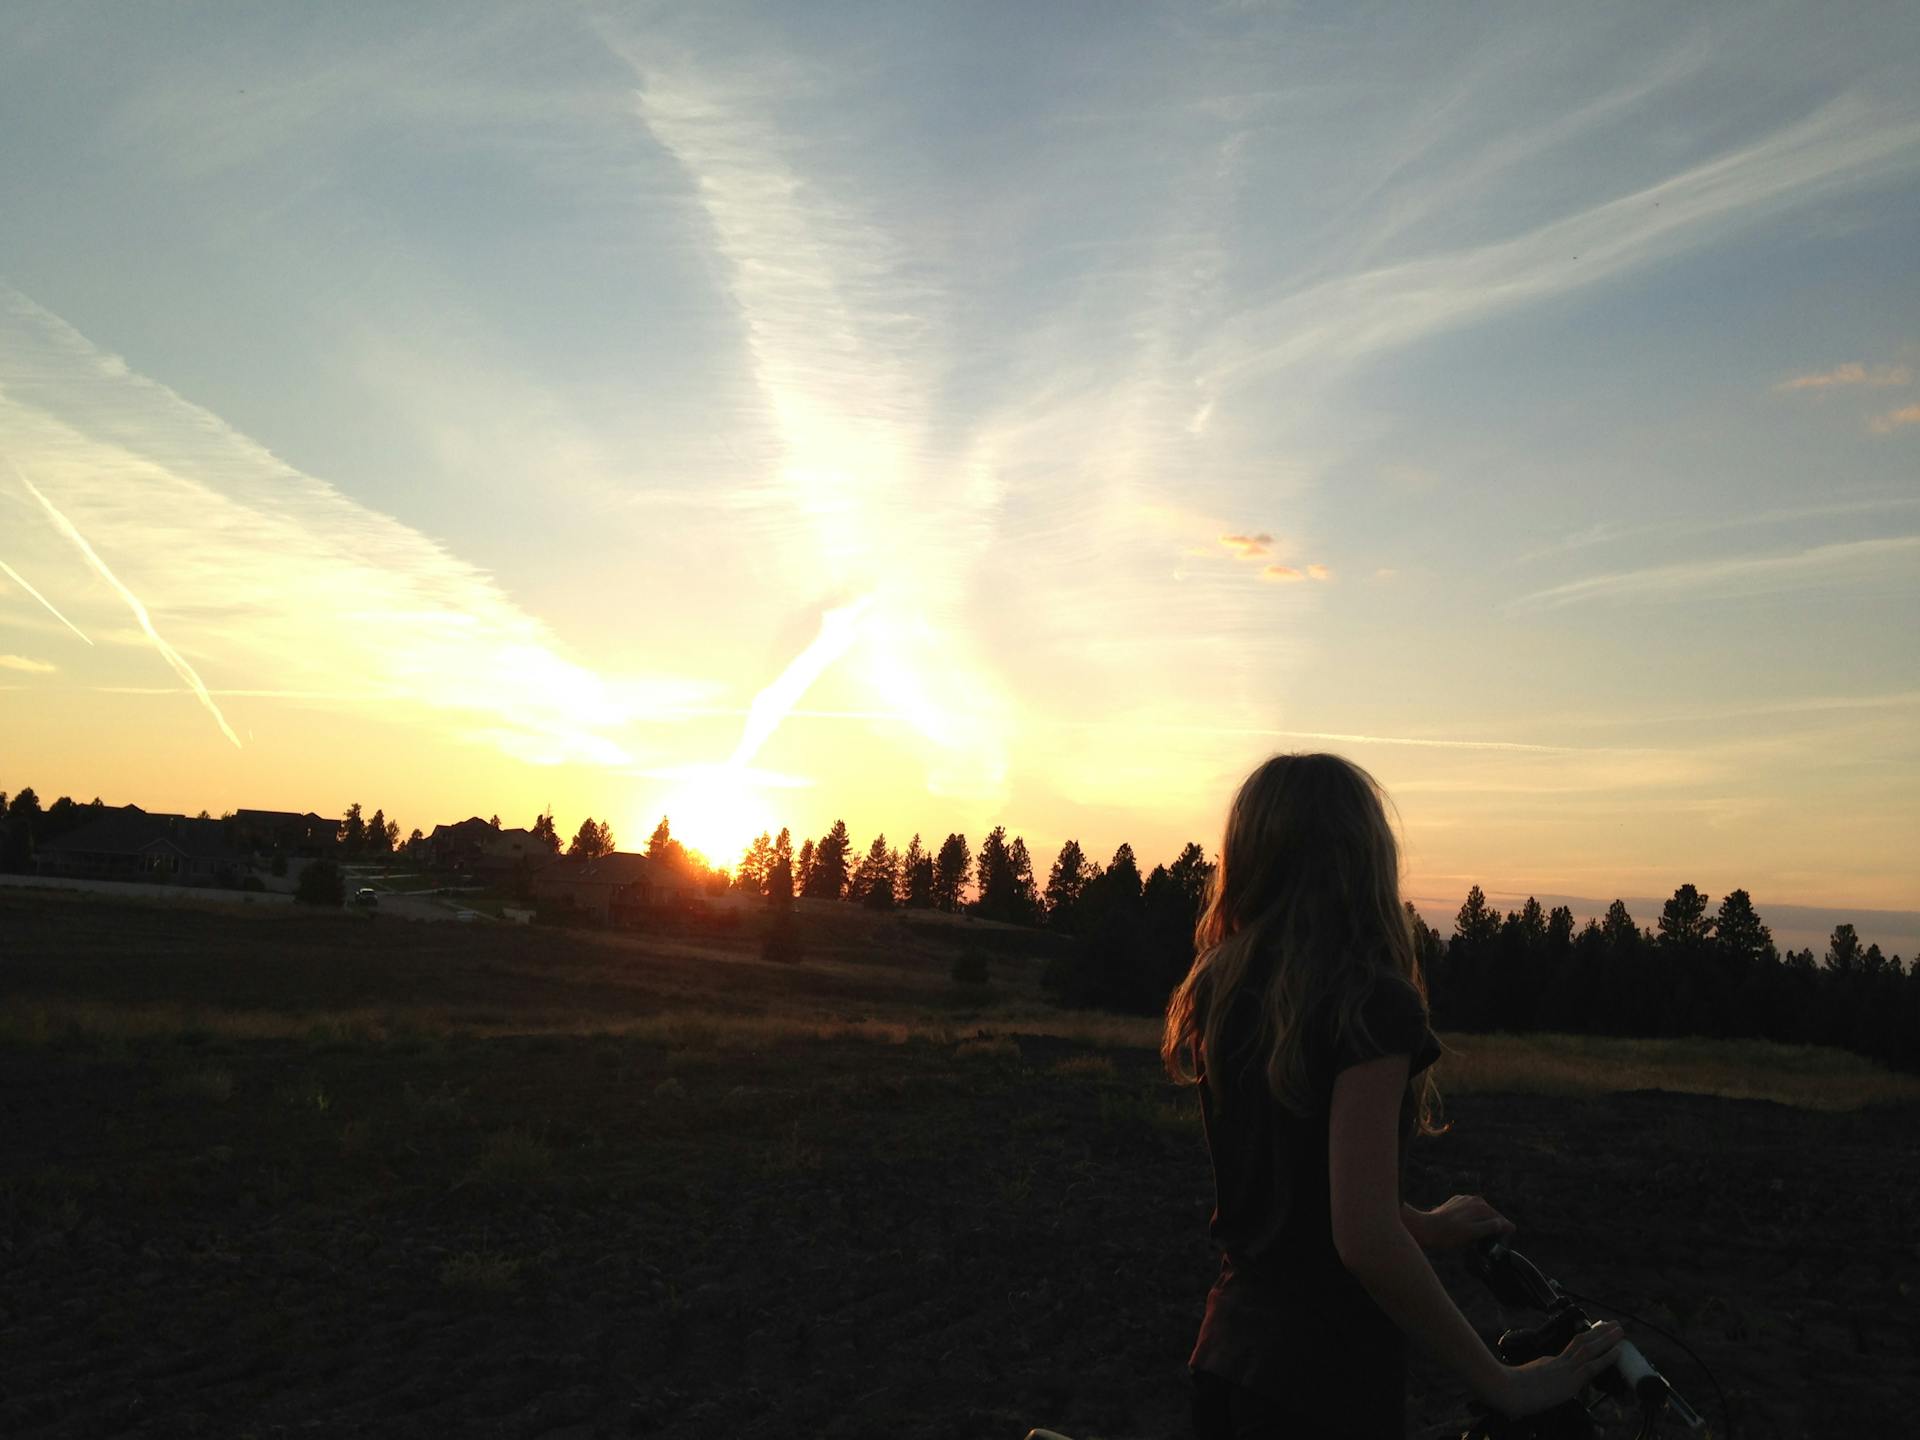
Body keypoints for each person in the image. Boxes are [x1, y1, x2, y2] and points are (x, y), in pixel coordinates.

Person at [1163, 753, 1621, 1439]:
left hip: (1228, 1361)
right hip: (1325, 1384)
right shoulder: (1368, 1001)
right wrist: (1508, 1385)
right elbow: (1363, 1238)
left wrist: (1427, 1225)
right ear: (1364, 857)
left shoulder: (1220, 990)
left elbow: (1306, 1195)